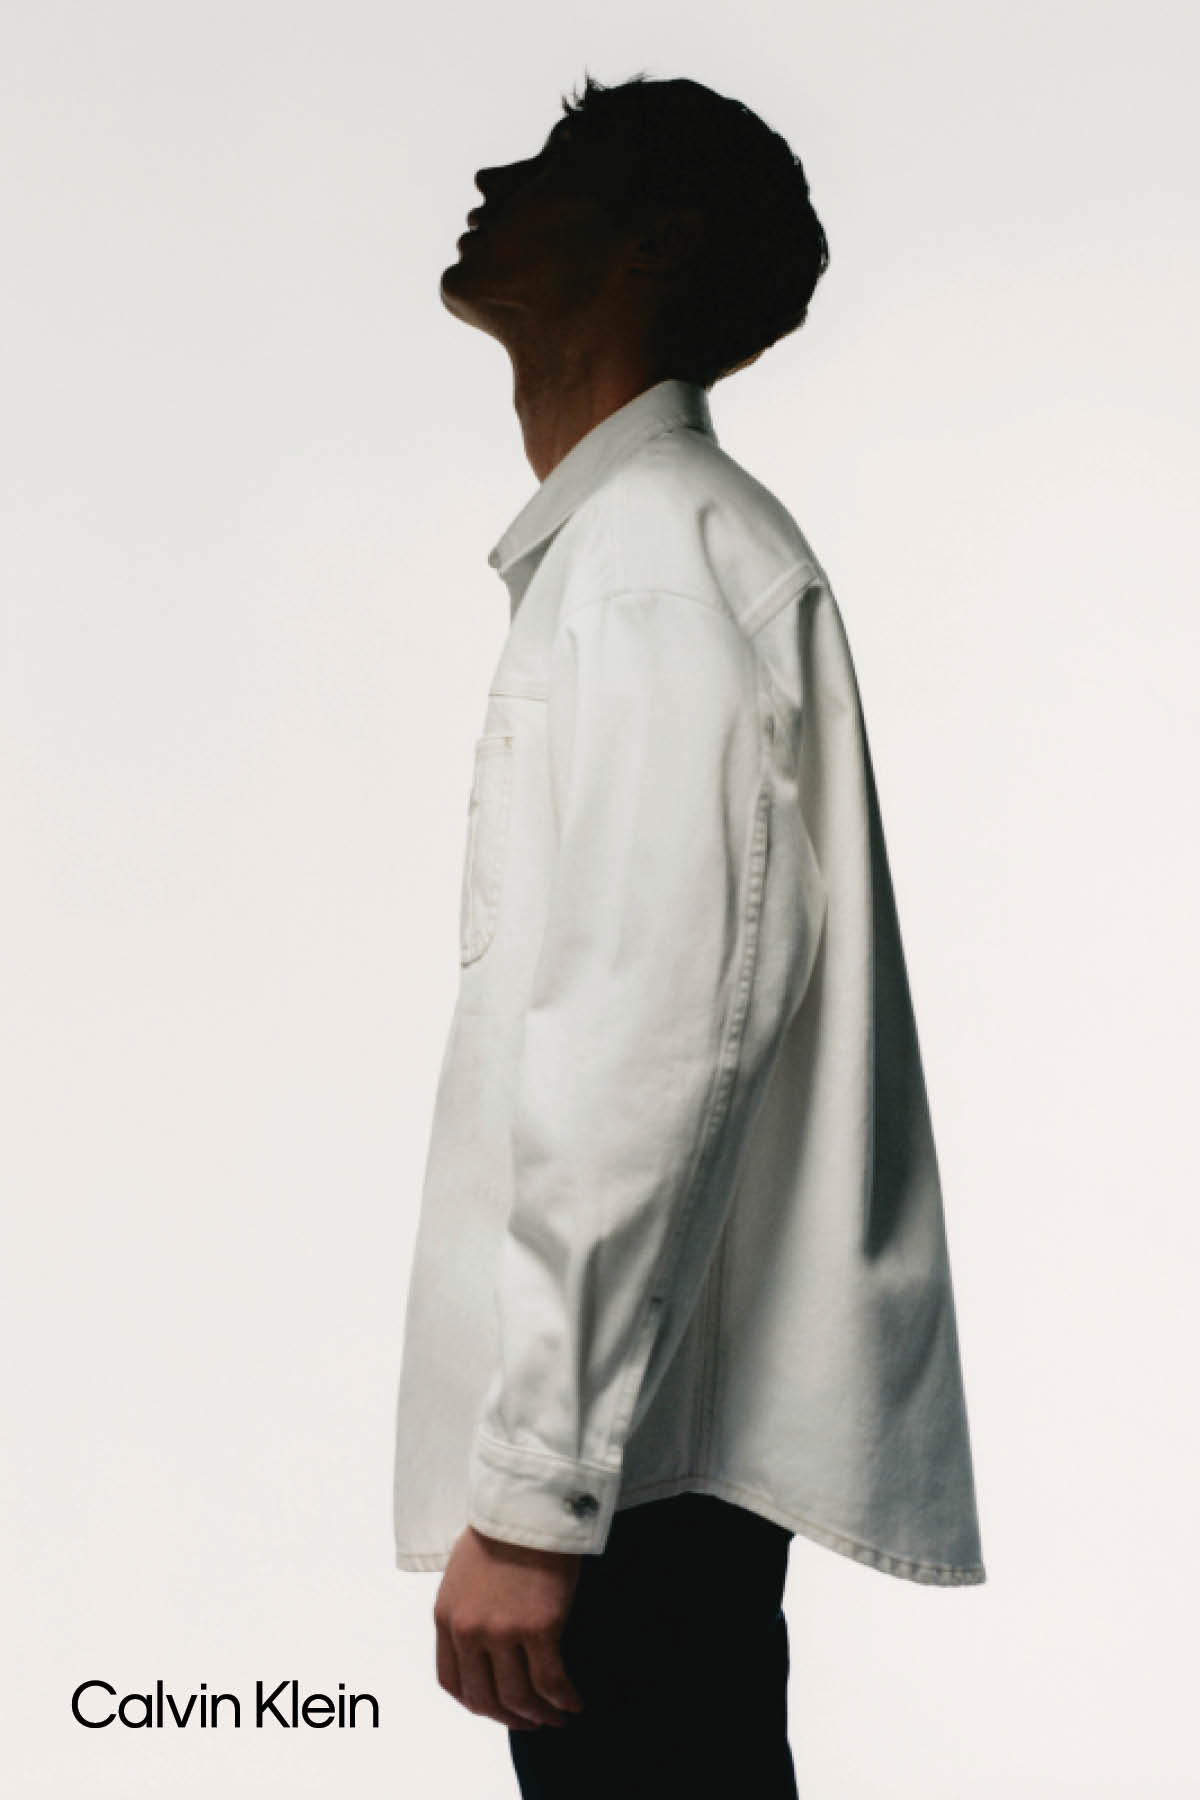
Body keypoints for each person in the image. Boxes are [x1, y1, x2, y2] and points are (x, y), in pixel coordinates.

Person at [391, 70, 986, 1799]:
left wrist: (540, 1490)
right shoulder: (639, 551)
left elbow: (652, 1039)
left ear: (650, 241)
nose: (493, 170)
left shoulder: (653, 558)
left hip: (638, 1477)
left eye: (558, 159)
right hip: (644, 1459)